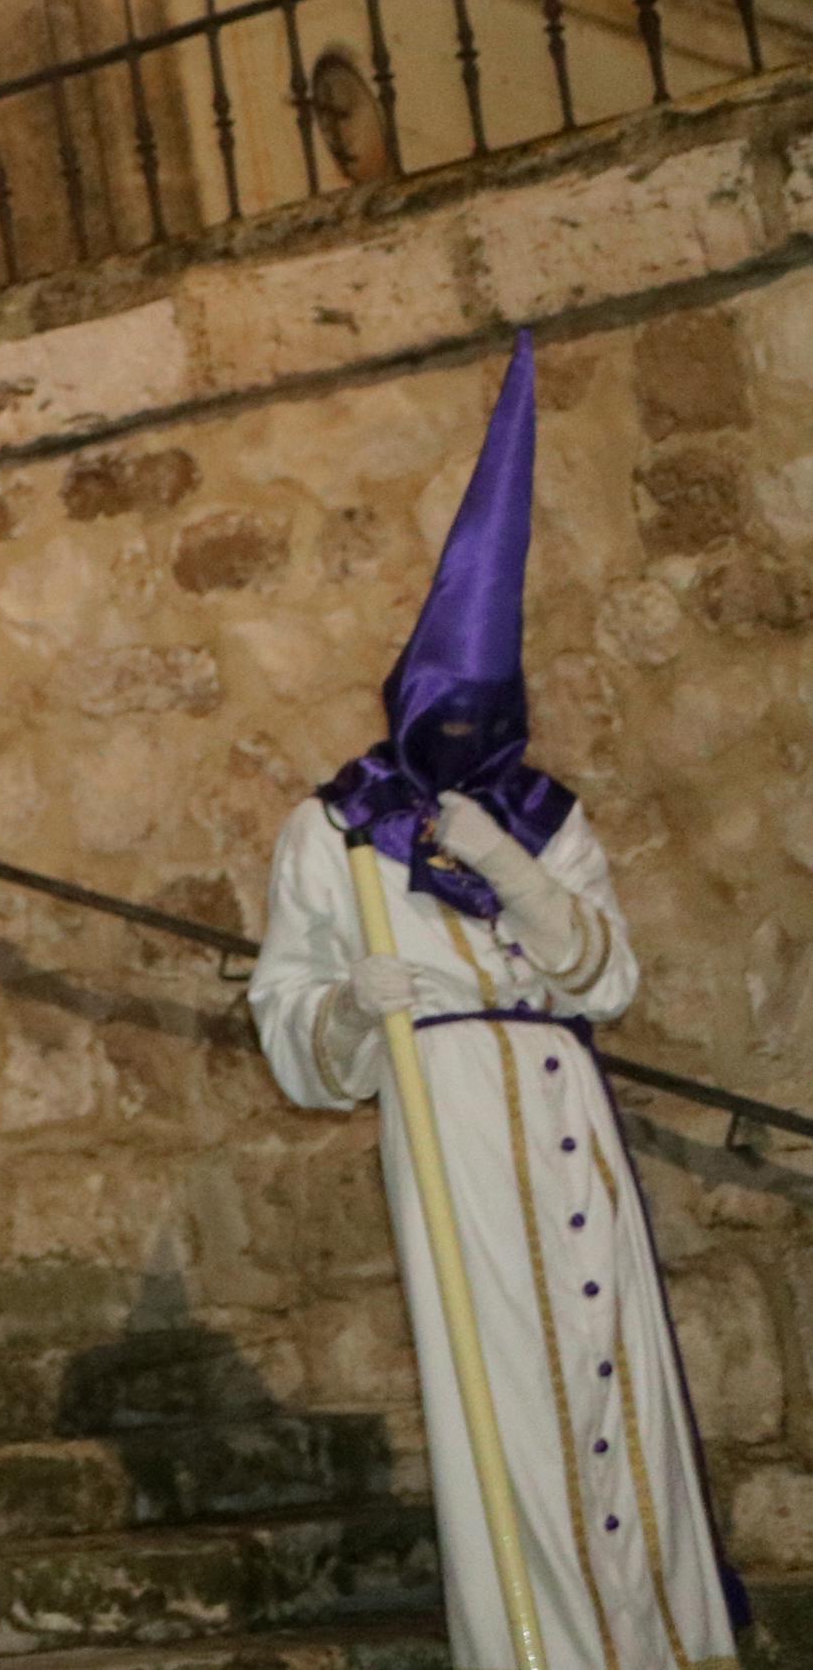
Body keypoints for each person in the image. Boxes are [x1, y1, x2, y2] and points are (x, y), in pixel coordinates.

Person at [249, 334, 739, 1668]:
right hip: (449, 1113)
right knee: (504, 1391)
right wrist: (350, 1006)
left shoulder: (541, 816)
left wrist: (515, 870)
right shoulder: (329, 830)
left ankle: (658, 1640)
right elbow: (292, 1033)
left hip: (559, 1105)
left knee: (612, 1366)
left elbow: (609, 976)